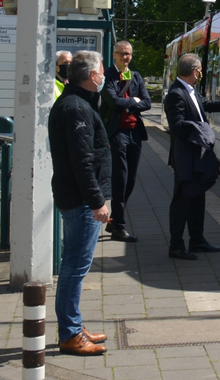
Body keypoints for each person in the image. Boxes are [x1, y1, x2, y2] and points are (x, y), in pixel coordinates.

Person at [48, 50, 111, 356]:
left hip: (76, 197)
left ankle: (73, 325)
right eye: (101, 72)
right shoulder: (76, 107)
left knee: (74, 264)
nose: (104, 77)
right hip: (80, 200)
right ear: (92, 76)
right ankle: (70, 334)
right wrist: (97, 202)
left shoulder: (77, 103)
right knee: (75, 267)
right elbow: (82, 161)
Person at [163, 53, 220, 260]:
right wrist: (201, 130)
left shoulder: (191, 90)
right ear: (195, 71)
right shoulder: (176, 94)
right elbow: (177, 126)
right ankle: (176, 245)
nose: (201, 74)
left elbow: (205, 105)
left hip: (198, 156)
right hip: (186, 157)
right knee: (182, 200)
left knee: (197, 199)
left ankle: (197, 240)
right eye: (200, 71)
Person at [100, 40, 150, 243]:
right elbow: (113, 101)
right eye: (121, 53)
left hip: (135, 133)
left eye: (128, 54)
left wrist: (128, 104)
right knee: (120, 179)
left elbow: (147, 102)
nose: (125, 57)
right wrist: (133, 101)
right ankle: (119, 227)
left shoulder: (135, 76)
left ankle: (114, 220)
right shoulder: (108, 76)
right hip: (117, 132)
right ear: (114, 55)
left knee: (130, 181)